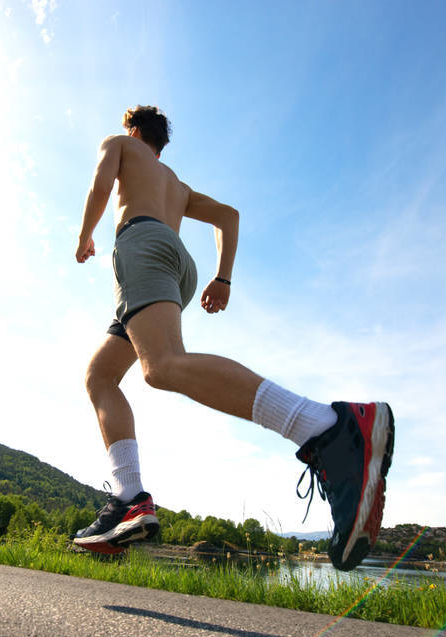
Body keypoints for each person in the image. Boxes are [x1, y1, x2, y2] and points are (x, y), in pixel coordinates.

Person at [72, 105, 394, 570]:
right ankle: (128, 496)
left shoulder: (118, 145)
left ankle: (326, 427)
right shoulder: (176, 186)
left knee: (160, 367)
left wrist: (85, 235)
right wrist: (223, 278)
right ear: (162, 143)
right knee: (101, 376)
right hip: (178, 263)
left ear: (135, 132)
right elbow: (228, 215)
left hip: (141, 246)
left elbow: (101, 185)